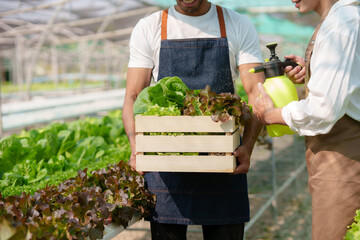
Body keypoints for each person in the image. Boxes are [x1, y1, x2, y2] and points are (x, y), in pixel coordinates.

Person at [122, 0, 265, 239]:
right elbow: (133, 95)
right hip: (167, 164)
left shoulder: (237, 24)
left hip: (223, 161)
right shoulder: (150, 27)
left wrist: (247, 147)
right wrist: (137, 147)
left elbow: (256, 94)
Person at [253, 0, 360, 239]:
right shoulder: (337, 19)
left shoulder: (341, 24)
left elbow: (323, 110)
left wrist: (272, 114)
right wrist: (312, 72)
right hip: (334, 152)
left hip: (343, 158)